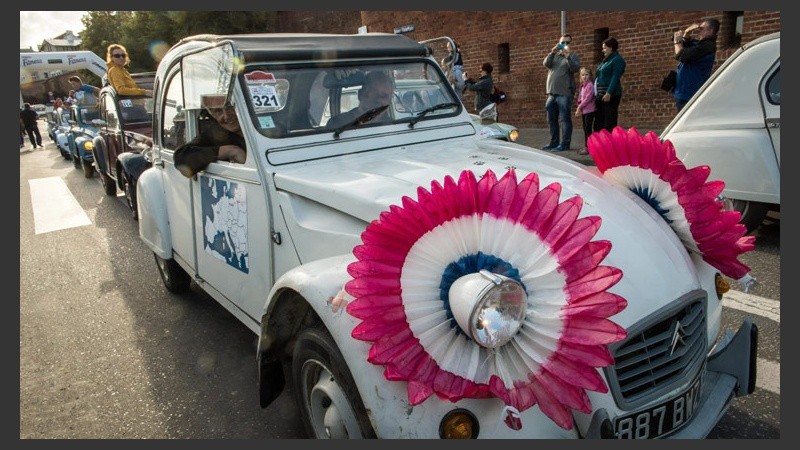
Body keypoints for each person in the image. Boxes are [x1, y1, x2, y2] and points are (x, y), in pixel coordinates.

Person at [174, 94, 247, 178]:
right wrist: (231, 150)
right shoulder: (216, 135)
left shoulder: (260, 128)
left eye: (230, 107)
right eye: (218, 111)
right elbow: (181, 158)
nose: (226, 116)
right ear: (212, 115)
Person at [542, 34, 580, 151]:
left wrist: (568, 57)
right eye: (563, 42)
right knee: (551, 119)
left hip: (565, 92)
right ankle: (554, 142)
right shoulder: (555, 56)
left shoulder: (573, 56)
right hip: (552, 93)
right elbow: (546, 64)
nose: (565, 45)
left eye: (568, 42)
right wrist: (552, 52)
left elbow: (575, 69)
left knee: (564, 119)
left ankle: (564, 144)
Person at [672, 18, 719, 112]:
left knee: (685, 124)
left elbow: (682, 56)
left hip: (690, 93)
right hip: (684, 91)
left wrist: (676, 42)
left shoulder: (708, 46)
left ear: (710, 31)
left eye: (702, 29)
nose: (699, 31)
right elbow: (686, 47)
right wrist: (687, 33)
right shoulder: (701, 44)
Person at [326, 70, 394, 130]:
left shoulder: (394, 126)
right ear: (361, 94)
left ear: (390, 100)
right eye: (375, 94)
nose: (380, 101)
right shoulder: (337, 124)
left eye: (385, 96)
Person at [593, 37, 626, 133]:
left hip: (610, 95)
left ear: (611, 47)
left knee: (609, 122)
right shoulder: (605, 61)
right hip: (600, 95)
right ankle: (599, 145)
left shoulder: (617, 60)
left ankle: (608, 145)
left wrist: (609, 92)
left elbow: (615, 77)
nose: (603, 50)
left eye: (604, 48)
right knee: (598, 122)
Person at [574, 67, 596, 155]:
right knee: (585, 129)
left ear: (590, 76)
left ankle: (589, 147)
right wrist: (579, 106)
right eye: (582, 75)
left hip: (590, 110)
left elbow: (587, 98)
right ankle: (587, 146)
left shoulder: (590, 85)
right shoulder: (582, 86)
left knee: (588, 129)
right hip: (584, 111)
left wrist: (579, 107)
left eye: (586, 74)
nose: (584, 76)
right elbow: (580, 97)